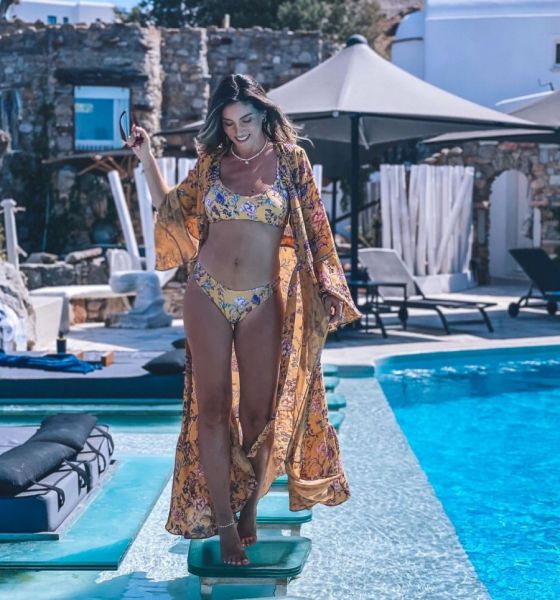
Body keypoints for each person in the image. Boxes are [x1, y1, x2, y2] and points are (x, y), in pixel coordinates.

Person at [126, 74, 362, 566]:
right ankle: (225, 524)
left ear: (264, 115)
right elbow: (171, 209)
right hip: (206, 293)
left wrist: (329, 288)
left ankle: (251, 505)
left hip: (261, 299)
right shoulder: (212, 163)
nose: (238, 131)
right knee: (212, 411)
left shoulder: (291, 161)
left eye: (247, 120)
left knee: (259, 416)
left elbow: (317, 228)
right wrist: (146, 158)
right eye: (230, 123)